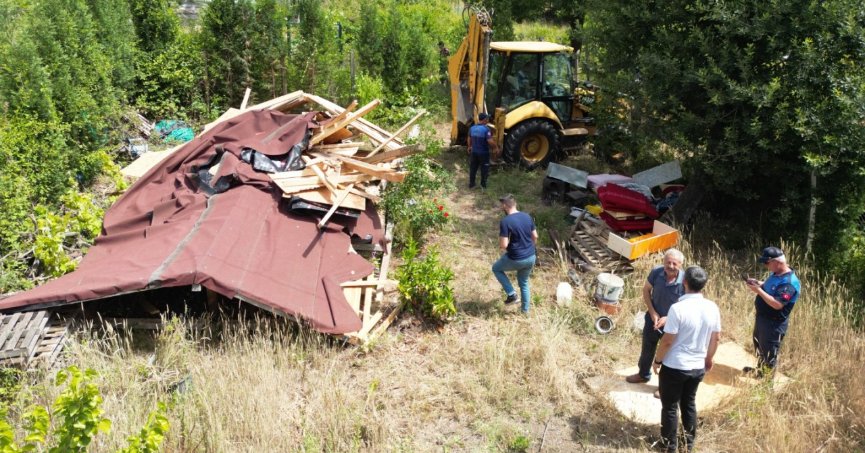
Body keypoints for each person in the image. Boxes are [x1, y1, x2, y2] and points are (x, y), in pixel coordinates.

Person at [652, 266, 721, 453]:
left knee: (670, 407)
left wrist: (657, 361)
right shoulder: (712, 307)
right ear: (704, 285)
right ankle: (688, 445)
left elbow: (667, 341)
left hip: (675, 366)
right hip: (697, 367)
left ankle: (669, 447)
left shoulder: (678, 308)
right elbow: (716, 337)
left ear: (685, 282)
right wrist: (709, 358)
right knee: (689, 404)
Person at [625, 249, 686, 385]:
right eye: (668, 262)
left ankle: (664, 386)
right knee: (647, 347)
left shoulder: (686, 281)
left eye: (674, 264)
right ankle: (643, 374)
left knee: (668, 354)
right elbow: (646, 290)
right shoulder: (656, 272)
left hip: (673, 324)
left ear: (681, 264)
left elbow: (687, 306)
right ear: (663, 262)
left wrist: (668, 319)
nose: (670, 266)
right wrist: (652, 312)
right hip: (652, 319)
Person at [745, 246, 801, 378]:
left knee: (769, 353)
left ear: (778, 262)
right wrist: (758, 283)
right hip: (762, 319)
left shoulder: (790, 283)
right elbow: (771, 286)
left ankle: (767, 384)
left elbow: (777, 304)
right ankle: (760, 372)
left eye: (767, 262)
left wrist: (758, 290)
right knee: (759, 346)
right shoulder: (776, 273)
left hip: (773, 324)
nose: (765, 265)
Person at [492, 194, 538, 313]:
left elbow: (504, 245)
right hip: (531, 256)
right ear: (515, 204)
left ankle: (511, 294)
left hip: (516, 258)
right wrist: (529, 249)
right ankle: (525, 311)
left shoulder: (506, 221)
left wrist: (502, 245)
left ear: (504, 206)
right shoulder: (527, 216)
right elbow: (535, 236)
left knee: (496, 268)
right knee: (524, 282)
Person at [467, 113, 498, 189]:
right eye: (487, 119)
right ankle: (483, 186)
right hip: (483, 153)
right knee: (484, 169)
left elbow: (469, 138)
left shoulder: (472, 128)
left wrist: (469, 146)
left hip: (474, 152)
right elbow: (490, 141)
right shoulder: (486, 129)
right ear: (484, 120)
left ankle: (472, 185)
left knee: (473, 168)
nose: (487, 120)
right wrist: (495, 147)